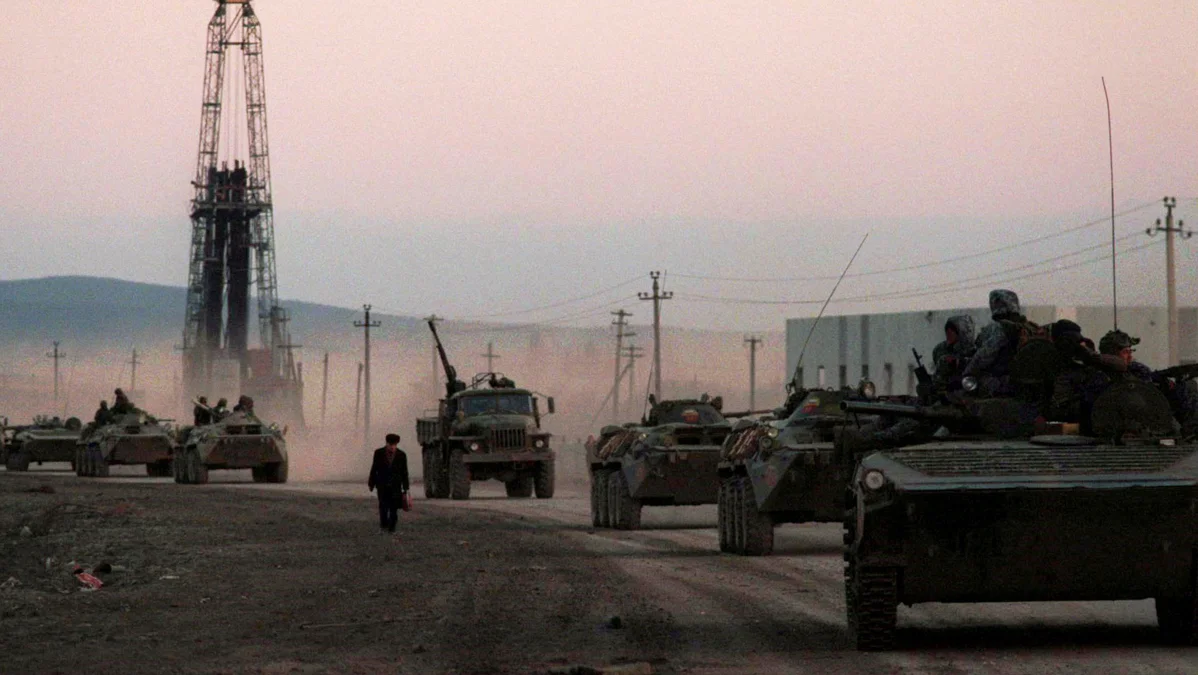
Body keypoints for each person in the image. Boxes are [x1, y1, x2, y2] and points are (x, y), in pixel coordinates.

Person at [962, 289, 1040, 397]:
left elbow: (983, 357)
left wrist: (967, 374)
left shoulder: (999, 327)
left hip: (1006, 384)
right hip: (1032, 382)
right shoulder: (1032, 327)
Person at [367, 433, 410, 534]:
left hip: (396, 486)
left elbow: (404, 472)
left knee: (394, 508)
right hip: (382, 485)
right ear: (386, 443)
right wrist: (371, 483)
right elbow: (374, 469)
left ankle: (392, 528)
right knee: (383, 507)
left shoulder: (402, 455)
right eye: (390, 445)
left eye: (394, 445)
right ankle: (383, 526)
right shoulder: (378, 453)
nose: (392, 447)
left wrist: (406, 488)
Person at [931, 315, 977, 393]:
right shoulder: (940, 349)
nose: (948, 336)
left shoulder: (974, 349)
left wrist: (959, 362)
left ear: (961, 333)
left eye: (951, 332)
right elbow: (939, 376)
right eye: (947, 332)